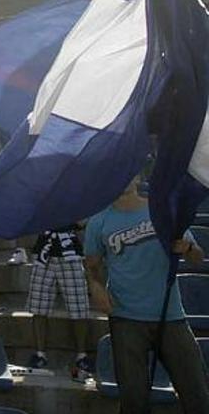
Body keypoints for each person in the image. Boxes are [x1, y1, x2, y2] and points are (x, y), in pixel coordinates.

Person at [84, 176, 209, 414]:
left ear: (138, 176)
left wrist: (189, 248)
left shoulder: (164, 212)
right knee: (133, 402)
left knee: (198, 396)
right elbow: (91, 266)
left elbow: (198, 257)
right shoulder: (98, 222)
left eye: (129, 171)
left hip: (171, 316)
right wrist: (96, 286)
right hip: (126, 318)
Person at [25, 226, 92, 380]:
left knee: (79, 305)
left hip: (70, 251)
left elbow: (82, 221)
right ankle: (40, 354)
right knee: (38, 306)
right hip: (44, 251)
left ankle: (81, 355)